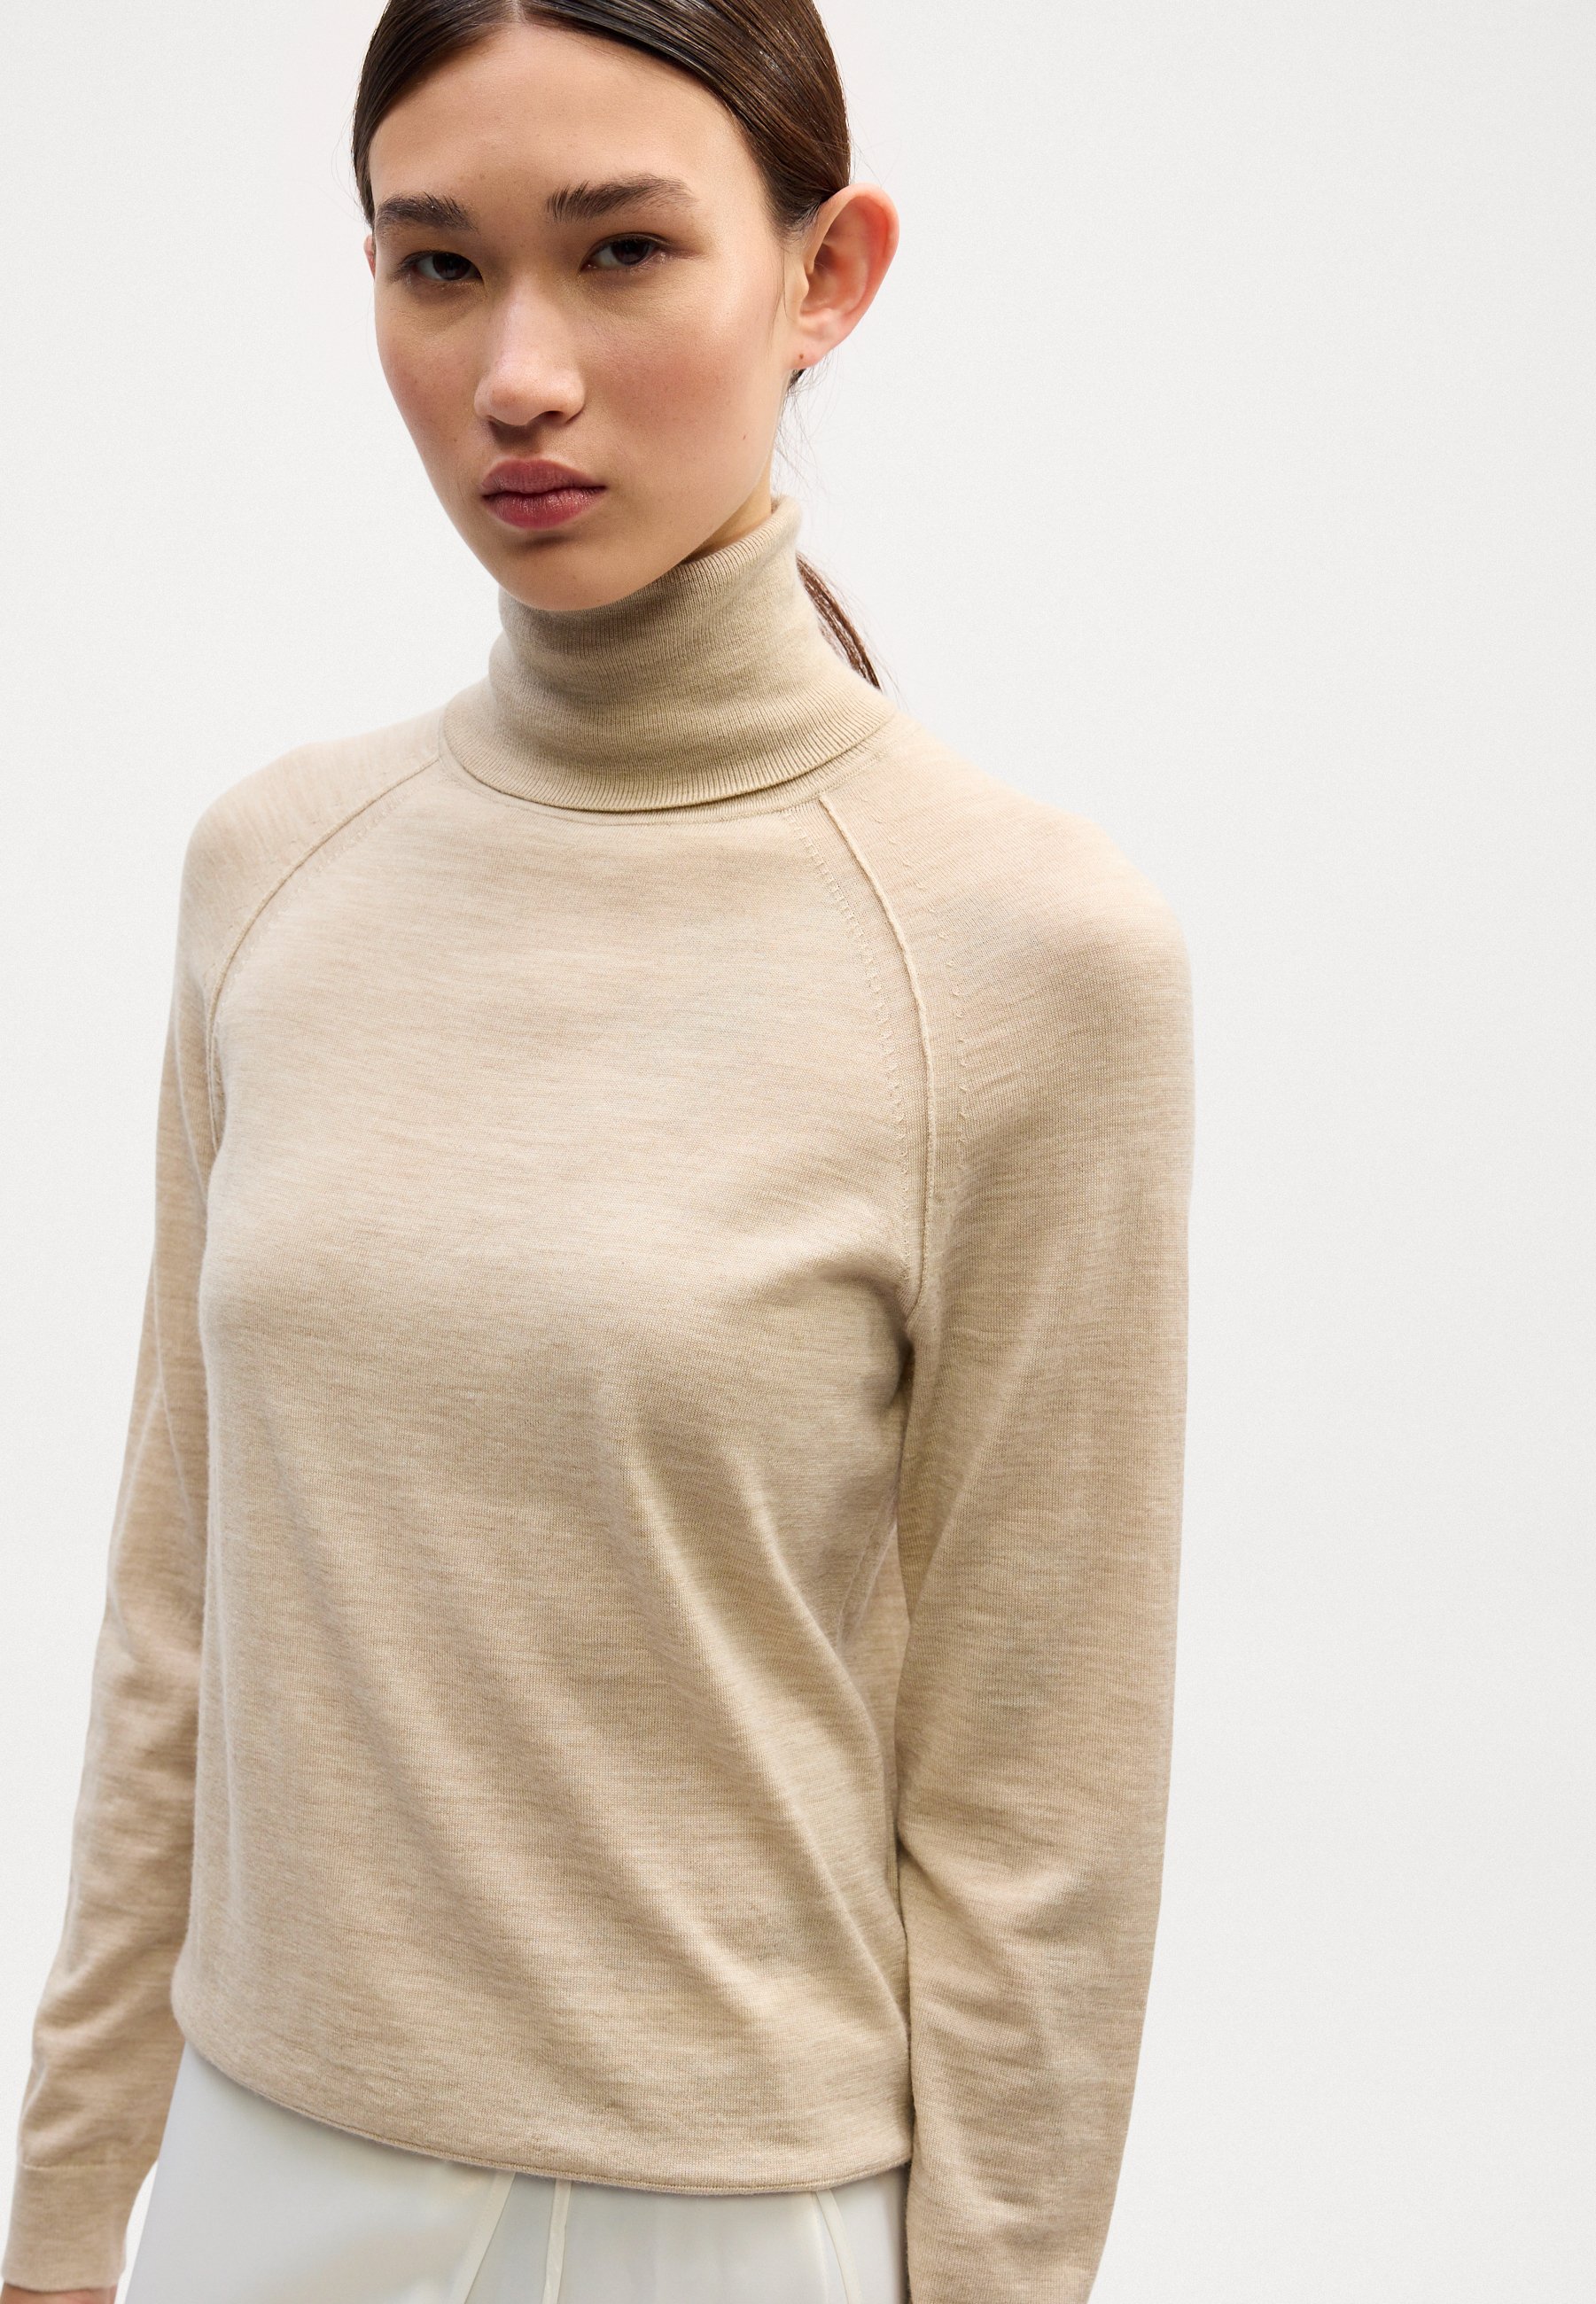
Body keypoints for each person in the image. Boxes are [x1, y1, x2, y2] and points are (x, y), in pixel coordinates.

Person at [0, 4, 1195, 2300]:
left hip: (716, 2221)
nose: (518, 375)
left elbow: (1041, 1798)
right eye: (436, 265)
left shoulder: (1022, 950)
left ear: (826, 273)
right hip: (254, 2179)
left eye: (622, 251)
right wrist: (63, 2212)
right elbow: (177, 1615)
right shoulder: (275, 869)